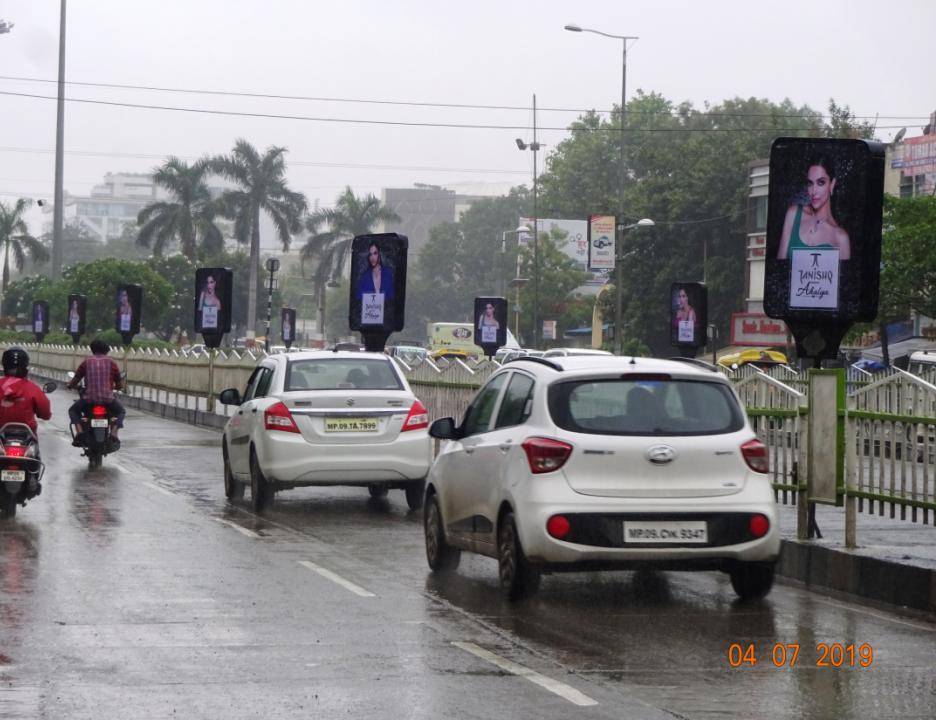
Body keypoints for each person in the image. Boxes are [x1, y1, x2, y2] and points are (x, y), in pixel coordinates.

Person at [777, 155, 851, 260]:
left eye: (821, 182)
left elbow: (843, 276)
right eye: (810, 183)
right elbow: (779, 268)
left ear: (832, 184)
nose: (814, 191)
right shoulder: (793, 214)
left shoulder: (840, 238)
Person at [67, 338, 126, 447]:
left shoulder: (86, 362)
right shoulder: (112, 363)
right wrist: (118, 387)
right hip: (108, 399)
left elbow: (76, 378)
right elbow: (119, 382)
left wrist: (70, 386)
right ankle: (114, 432)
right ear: (106, 350)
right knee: (121, 412)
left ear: (93, 350)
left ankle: (79, 432)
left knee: (73, 411)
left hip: (89, 399)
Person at [0, 348, 52, 435]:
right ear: (25, 367)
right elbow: (45, 413)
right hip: (26, 434)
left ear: (5, 366)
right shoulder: (33, 388)